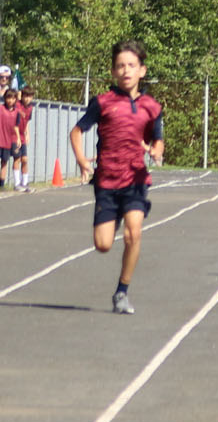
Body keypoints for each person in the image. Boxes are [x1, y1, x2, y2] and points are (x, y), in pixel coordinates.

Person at [68, 39, 165, 315]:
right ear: (113, 72)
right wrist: (81, 159)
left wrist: (156, 151)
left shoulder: (151, 107)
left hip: (135, 180)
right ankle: (114, 216)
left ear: (142, 71)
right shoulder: (102, 102)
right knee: (103, 245)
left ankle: (122, 292)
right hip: (107, 181)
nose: (126, 71)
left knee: (134, 233)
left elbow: (158, 141)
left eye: (131, 66)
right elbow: (76, 132)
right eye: (120, 66)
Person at [0, 88, 22, 190]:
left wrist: (18, 138)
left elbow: (16, 126)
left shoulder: (17, 112)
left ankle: (2, 184)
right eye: (9, 98)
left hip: (8, 140)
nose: (10, 101)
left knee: (4, 162)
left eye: (13, 98)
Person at [14, 86, 36, 191]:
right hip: (14, 135)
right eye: (25, 96)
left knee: (25, 159)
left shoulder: (30, 108)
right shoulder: (17, 105)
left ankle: (25, 182)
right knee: (17, 159)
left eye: (30, 96)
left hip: (22, 135)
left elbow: (26, 122)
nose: (27, 99)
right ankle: (17, 183)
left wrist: (27, 133)